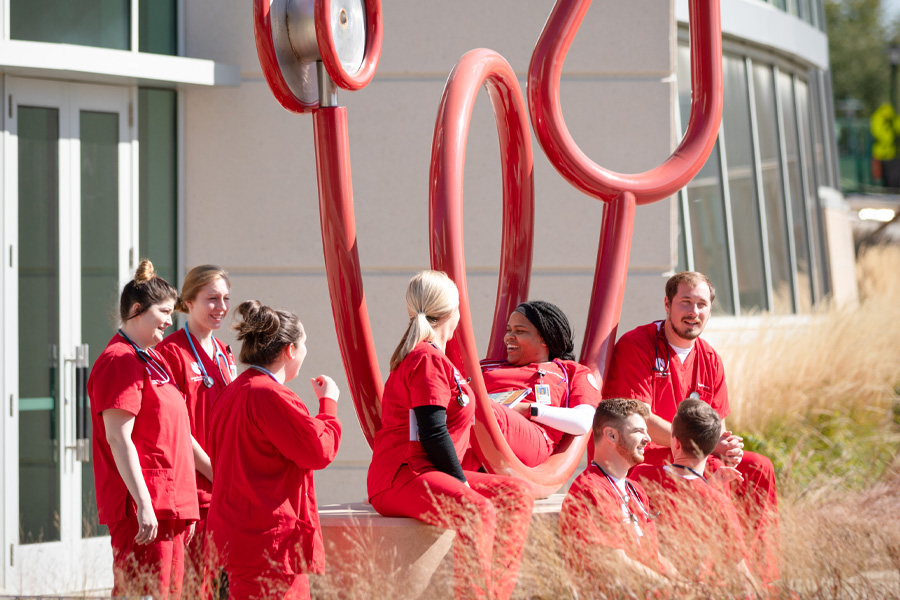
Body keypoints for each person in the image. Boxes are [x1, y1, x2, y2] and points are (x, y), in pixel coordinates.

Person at [602, 271, 780, 581]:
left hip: (693, 457)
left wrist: (726, 444)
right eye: (685, 302)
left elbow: (717, 425)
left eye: (701, 304)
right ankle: (726, 577)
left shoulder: (710, 358)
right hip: (647, 459)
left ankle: (756, 578)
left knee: (757, 467)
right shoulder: (638, 345)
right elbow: (637, 417)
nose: (693, 312)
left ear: (710, 311)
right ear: (667, 304)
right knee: (710, 474)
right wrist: (705, 445)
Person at [367, 270, 533, 600]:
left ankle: (494, 595)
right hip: (403, 475)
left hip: (424, 471)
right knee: (478, 511)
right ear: (453, 312)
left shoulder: (433, 357)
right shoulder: (426, 358)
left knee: (517, 495)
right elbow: (432, 431)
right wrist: (462, 482)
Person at [206, 300, 341, 599]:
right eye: (303, 344)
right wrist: (328, 405)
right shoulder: (270, 395)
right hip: (268, 542)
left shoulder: (234, 391)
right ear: (289, 350)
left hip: (239, 538)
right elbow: (318, 450)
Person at [88, 259, 199, 599]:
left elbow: (178, 435)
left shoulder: (152, 358)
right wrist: (145, 505)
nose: (170, 321)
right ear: (137, 309)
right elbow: (118, 439)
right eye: (164, 312)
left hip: (171, 504)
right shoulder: (119, 361)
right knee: (143, 592)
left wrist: (189, 499)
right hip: (146, 508)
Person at [157, 265, 237, 588]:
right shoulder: (171, 352)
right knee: (195, 585)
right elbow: (177, 427)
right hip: (198, 490)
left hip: (225, 488)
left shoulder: (224, 354)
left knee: (224, 584)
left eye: (226, 298)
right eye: (212, 299)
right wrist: (214, 471)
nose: (221, 307)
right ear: (189, 302)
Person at [631, 399, 763, 593]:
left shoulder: (641, 474)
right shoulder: (718, 502)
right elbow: (741, 574)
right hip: (691, 591)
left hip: (643, 586)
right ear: (711, 450)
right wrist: (710, 491)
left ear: (674, 443)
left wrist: (709, 487)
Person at [559, 398, 675, 596]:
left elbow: (653, 555)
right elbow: (615, 563)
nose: (648, 438)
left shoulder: (636, 490)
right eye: (639, 431)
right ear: (611, 435)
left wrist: (682, 582)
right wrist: (669, 587)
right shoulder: (591, 490)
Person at [479, 301, 600, 467]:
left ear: (545, 339)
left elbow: (583, 422)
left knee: (484, 411)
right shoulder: (485, 366)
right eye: (509, 330)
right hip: (479, 426)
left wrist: (528, 409)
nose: (509, 337)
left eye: (520, 331)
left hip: (533, 437)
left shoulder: (570, 371)